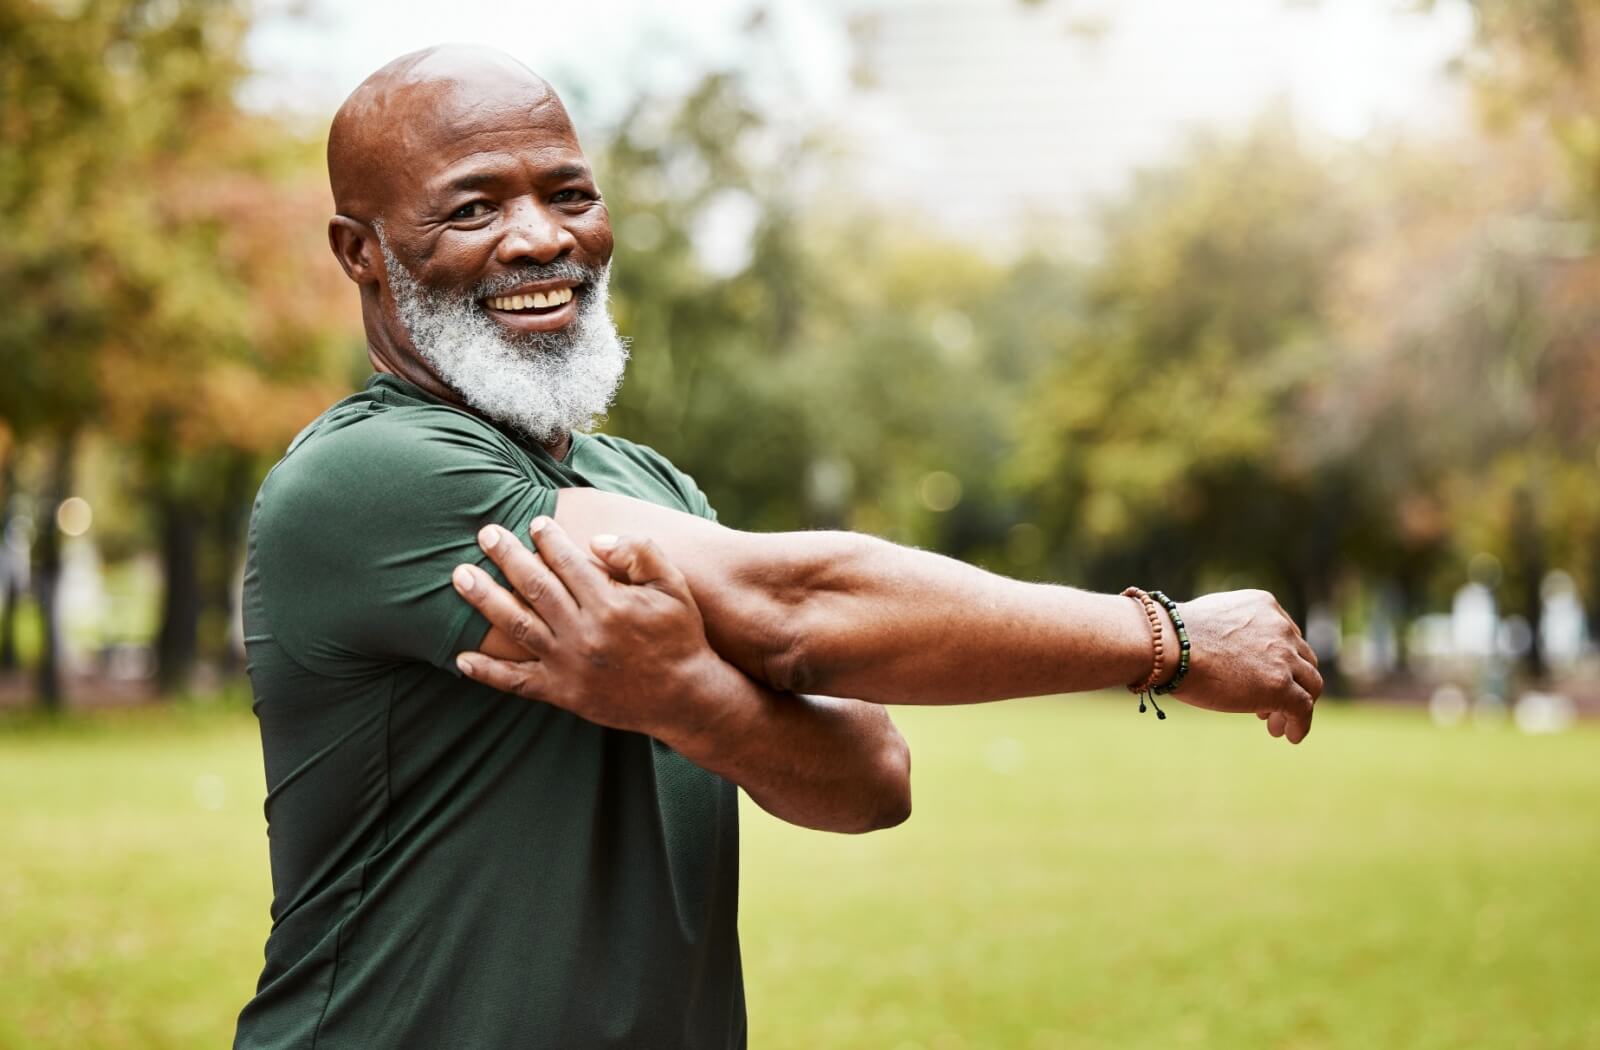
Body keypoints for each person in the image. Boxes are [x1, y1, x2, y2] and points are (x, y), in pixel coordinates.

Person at [234, 44, 1321, 1050]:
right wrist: (1164, 638)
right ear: (361, 253)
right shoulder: (366, 478)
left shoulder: (645, 487)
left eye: (568, 193)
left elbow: (872, 777)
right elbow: (800, 608)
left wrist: (689, 701)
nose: (540, 237)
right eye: (472, 207)